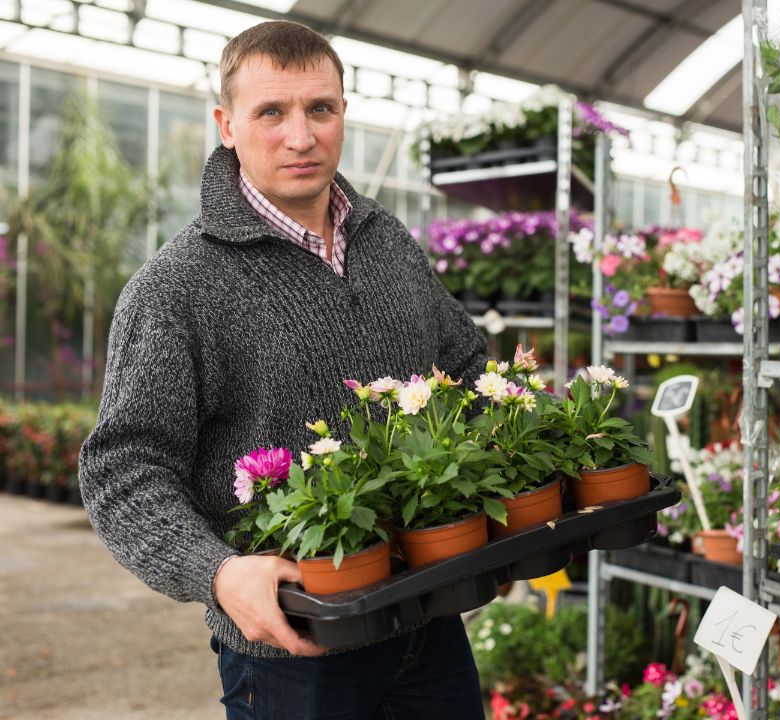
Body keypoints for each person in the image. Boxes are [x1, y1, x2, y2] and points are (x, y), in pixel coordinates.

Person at [78, 20, 488, 720]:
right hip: (295, 653)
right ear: (226, 124)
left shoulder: (389, 245)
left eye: (320, 109)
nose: (301, 137)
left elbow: (467, 370)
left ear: (343, 116)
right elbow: (123, 467)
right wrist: (218, 572)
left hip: (429, 622)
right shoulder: (179, 287)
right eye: (271, 111)